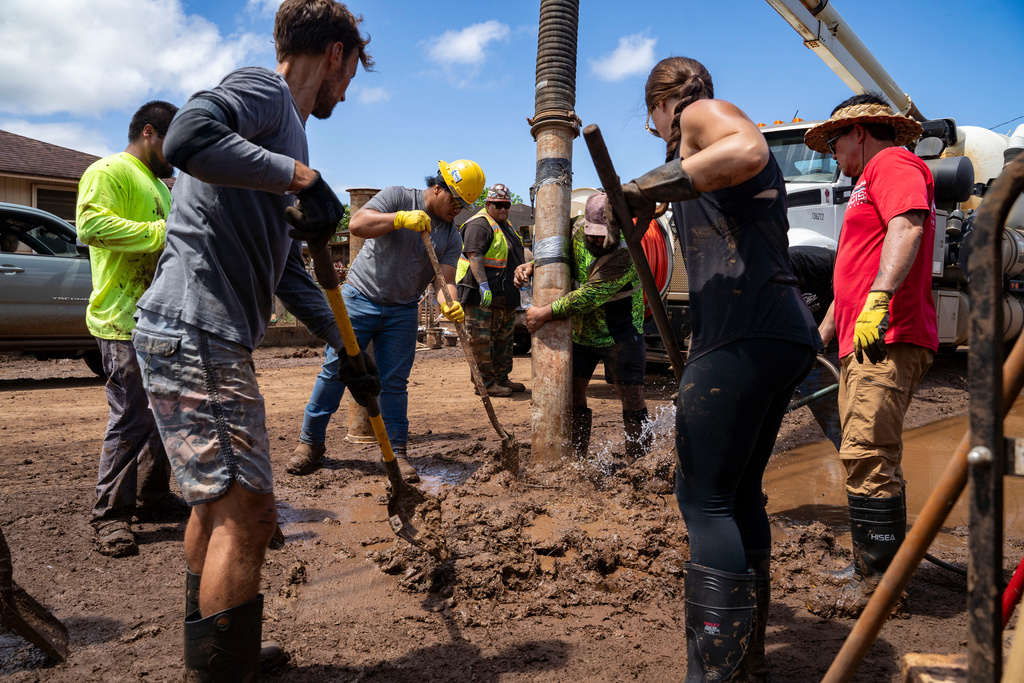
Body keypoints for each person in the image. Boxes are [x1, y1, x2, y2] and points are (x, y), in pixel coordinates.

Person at [131, 1, 376, 677]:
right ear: (334, 53)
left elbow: (289, 277)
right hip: (197, 327)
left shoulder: (285, 136)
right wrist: (300, 177)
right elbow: (184, 137)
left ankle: (218, 649)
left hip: (194, 332)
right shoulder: (265, 92)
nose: (348, 90)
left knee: (217, 506)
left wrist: (350, 355)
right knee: (251, 510)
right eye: (350, 71)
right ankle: (220, 669)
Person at [612, 57, 821, 681]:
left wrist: (649, 185)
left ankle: (713, 674)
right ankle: (748, 657)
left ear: (661, 106)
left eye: (655, 123)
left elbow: (750, 147)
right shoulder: (697, 162)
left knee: (702, 500)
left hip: (742, 329)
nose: (658, 134)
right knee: (737, 492)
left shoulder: (698, 116)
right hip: (780, 333)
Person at [803, 93, 936, 618]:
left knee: (866, 452)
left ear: (859, 131)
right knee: (867, 452)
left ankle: (880, 586)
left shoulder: (893, 162)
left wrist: (879, 302)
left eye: (834, 142)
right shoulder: (864, 182)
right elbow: (849, 278)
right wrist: (818, 338)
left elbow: (908, 227)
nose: (832, 154)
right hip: (865, 336)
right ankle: (873, 568)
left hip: (888, 334)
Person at [286, 160, 480, 479]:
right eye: (455, 200)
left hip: (402, 311)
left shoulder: (450, 236)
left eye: (463, 205)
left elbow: (443, 282)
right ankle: (310, 444)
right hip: (360, 298)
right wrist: (399, 220)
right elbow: (358, 224)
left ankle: (396, 454)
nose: (457, 209)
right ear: (438, 187)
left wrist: (450, 304)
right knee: (335, 370)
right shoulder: (398, 198)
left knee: (394, 383)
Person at [76, 100, 183, 557]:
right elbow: (90, 224)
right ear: (149, 132)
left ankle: (153, 497)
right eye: (171, 143)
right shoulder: (109, 171)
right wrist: (162, 233)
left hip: (155, 316)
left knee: (162, 412)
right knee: (132, 416)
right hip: (121, 319)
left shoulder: (159, 184)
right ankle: (109, 516)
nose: (175, 155)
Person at [517, 191, 651, 462]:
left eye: (601, 236)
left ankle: (641, 462)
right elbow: (559, 258)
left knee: (630, 394)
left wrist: (544, 312)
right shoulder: (577, 231)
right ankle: (577, 457)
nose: (594, 240)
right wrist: (533, 266)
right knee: (574, 390)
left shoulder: (626, 252)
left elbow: (588, 296)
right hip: (581, 332)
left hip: (621, 333)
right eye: (592, 233)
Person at [456, 183, 527, 397]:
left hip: (505, 296)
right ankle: (484, 383)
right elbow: (474, 255)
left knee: (504, 341)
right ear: (488, 204)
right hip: (482, 297)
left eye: (506, 204)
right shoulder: (480, 224)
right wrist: (483, 285)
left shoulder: (507, 226)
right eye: (498, 205)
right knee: (481, 340)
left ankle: (501, 377)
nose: (503, 209)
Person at [788, 245, 843, 451]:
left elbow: (851, 290)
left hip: (841, 335)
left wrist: (823, 337)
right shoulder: (756, 288)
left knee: (858, 417)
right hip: (806, 348)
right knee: (832, 419)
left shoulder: (814, 262)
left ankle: (871, 474)